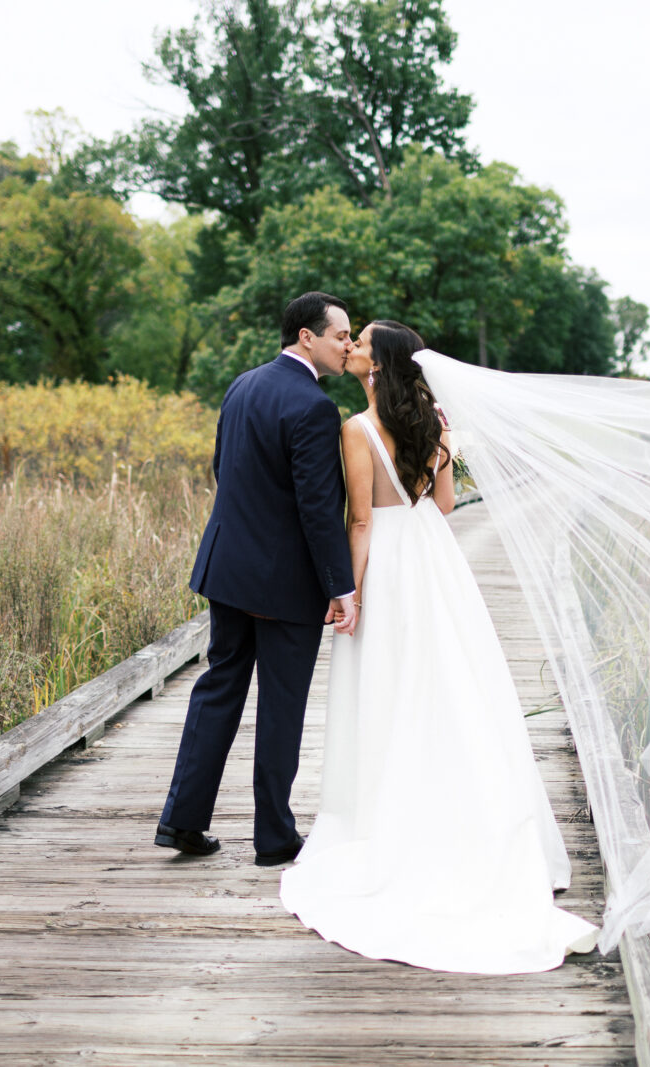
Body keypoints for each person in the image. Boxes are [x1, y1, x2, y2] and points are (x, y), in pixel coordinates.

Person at [278, 320, 599, 974]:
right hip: (435, 560)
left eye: (362, 339)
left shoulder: (354, 430)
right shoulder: (436, 427)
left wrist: (350, 592)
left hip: (391, 563)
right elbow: (446, 506)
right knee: (451, 683)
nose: (355, 343)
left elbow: (360, 520)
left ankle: (386, 819)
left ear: (377, 364)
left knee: (388, 688)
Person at [156, 292, 358, 867]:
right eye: (340, 335)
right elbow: (318, 510)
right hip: (284, 583)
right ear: (306, 337)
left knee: (218, 689)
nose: (347, 345)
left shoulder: (243, 385)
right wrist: (339, 587)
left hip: (228, 570)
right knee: (281, 706)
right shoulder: (315, 407)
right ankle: (274, 837)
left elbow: (225, 469)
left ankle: (182, 821)